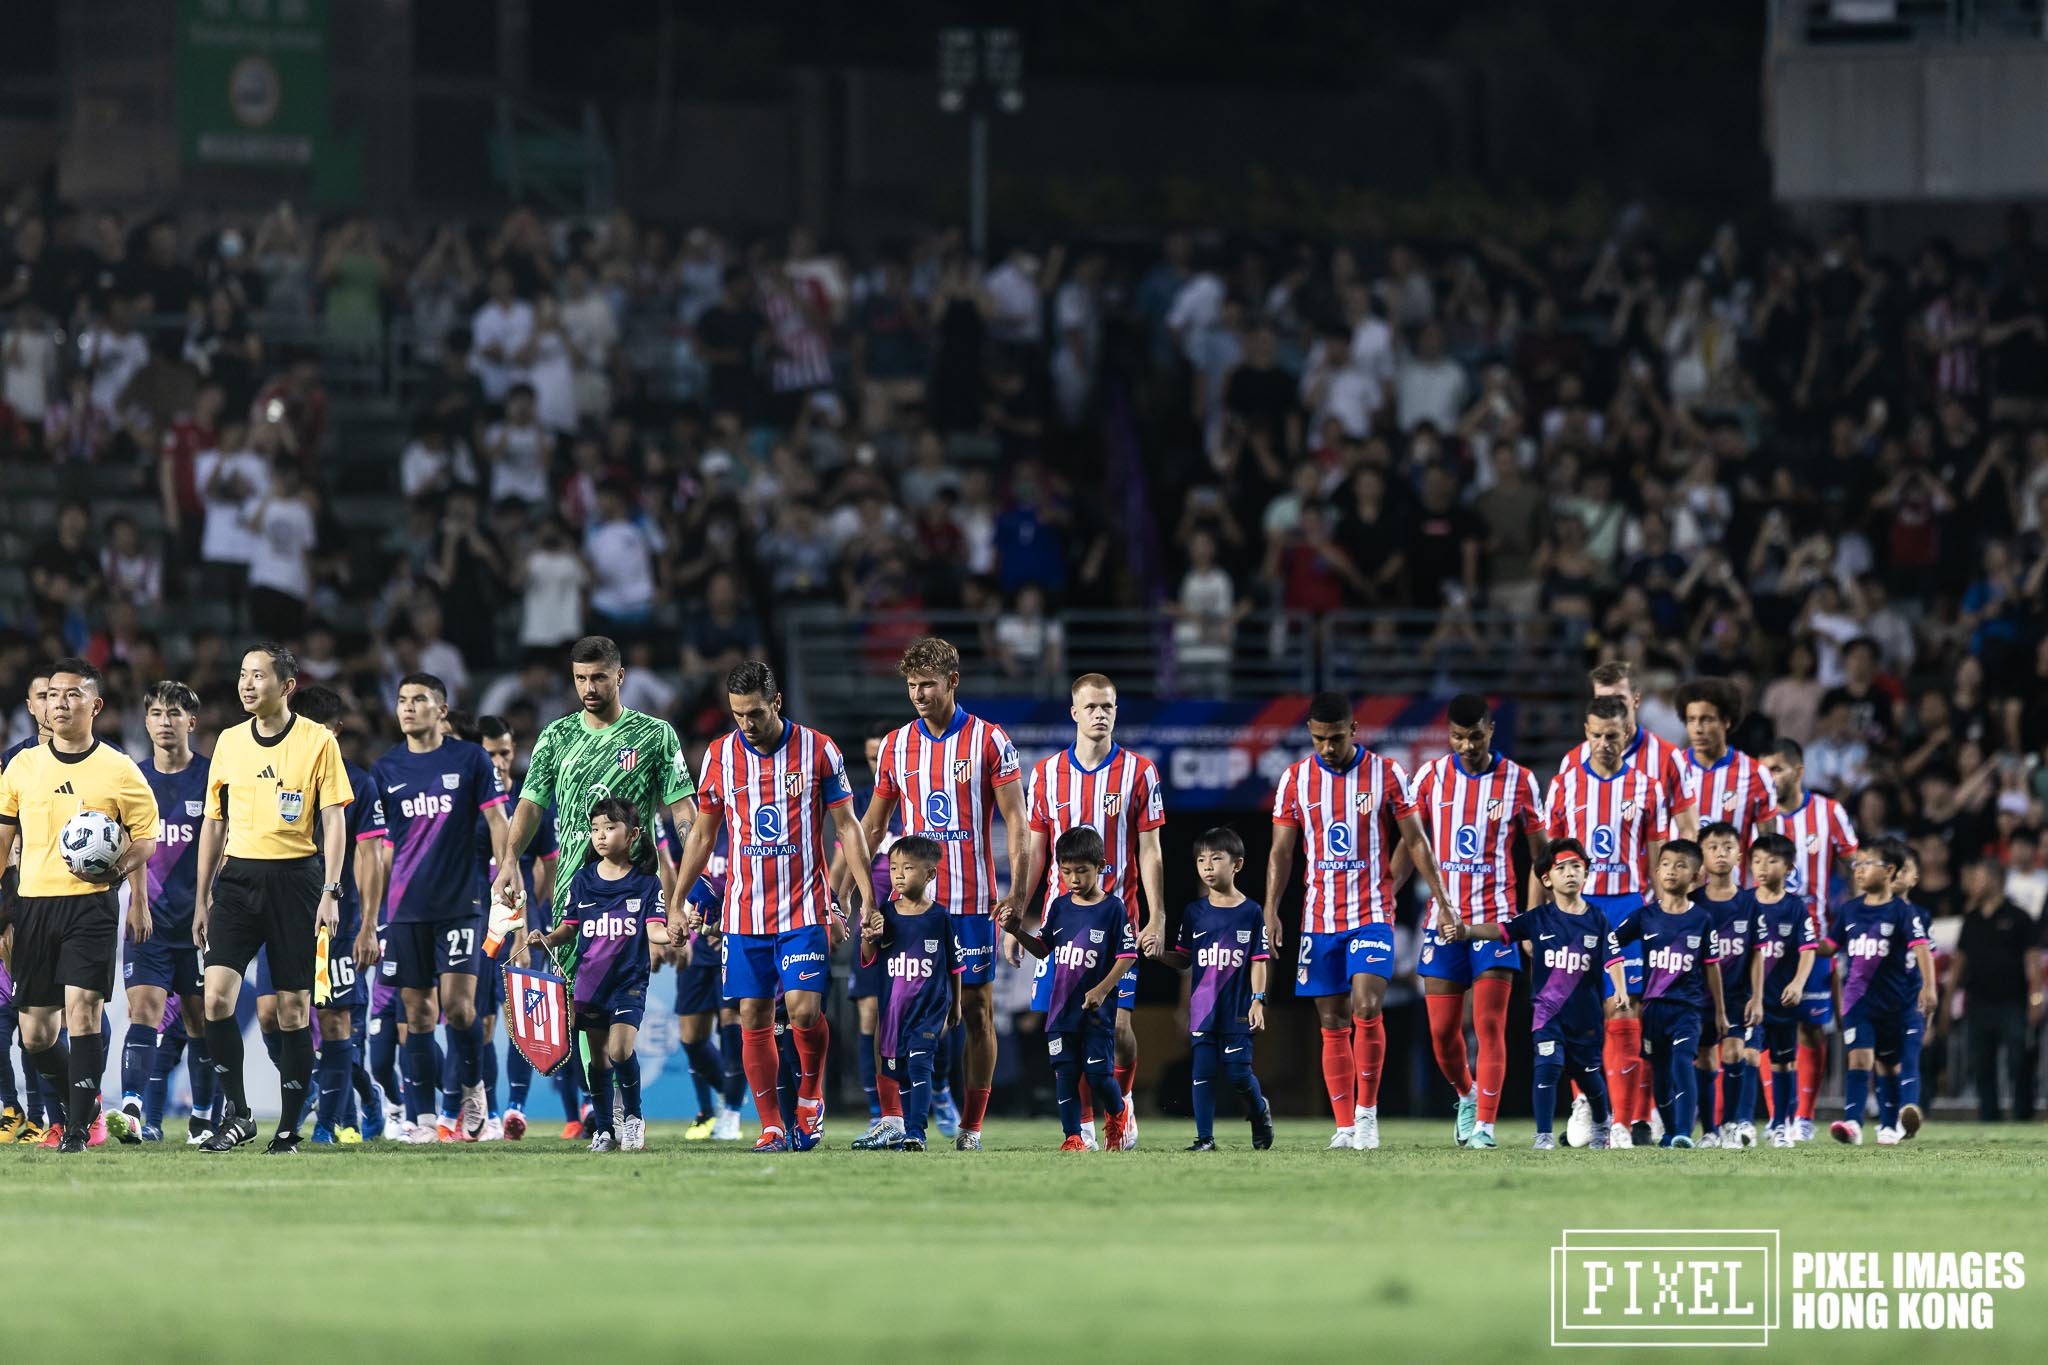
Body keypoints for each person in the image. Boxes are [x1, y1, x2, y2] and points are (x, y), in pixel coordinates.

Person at [670, 661, 872, 1152]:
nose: (747, 724)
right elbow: (702, 834)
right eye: (738, 714)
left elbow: (847, 827)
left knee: (803, 1013)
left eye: (755, 713)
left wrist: (861, 898)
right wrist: (677, 900)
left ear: (776, 703)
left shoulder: (820, 750)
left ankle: (809, 1095)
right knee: (752, 1017)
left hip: (804, 909)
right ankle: (771, 1126)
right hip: (744, 915)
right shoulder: (719, 756)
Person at [1267, 691, 1457, 1152]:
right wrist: (1270, 908)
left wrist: (1442, 899)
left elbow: (1416, 841)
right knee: (1331, 1020)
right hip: (1318, 918)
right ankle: (1345, 1125)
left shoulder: (1388, 774)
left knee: (1366, 1007)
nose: (1326, 748)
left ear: (1354, 730)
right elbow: (1281, 851)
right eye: (1317, 739)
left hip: (1371, 913)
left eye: (1334, 738)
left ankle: (1367, 1116)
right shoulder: (1294, 780)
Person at [860, 637, 1026, 1152]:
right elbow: (871, 825)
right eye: (911, 686)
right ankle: (894, 1119)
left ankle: (971, 1126)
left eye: (928, 684)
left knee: (973, 1011)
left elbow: (1017, 821)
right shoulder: (894, 745)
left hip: (972, 902)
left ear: (953, 682)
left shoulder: (989, 741)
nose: (918, 694)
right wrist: (854, 890)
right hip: (909, 903)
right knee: (894, 1009)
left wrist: (1017, 893)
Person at [192, 643, 353, 1153]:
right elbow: (213, 823)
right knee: (215, 997)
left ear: (286, 687)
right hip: (238, 881)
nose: (245, 684)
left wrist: (330, 889)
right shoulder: (229, 742)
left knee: (292, 1009)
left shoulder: (317, 742)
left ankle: (287, 1128)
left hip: (296, 881)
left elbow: (333, 818)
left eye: (257, 676)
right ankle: (238, 1113)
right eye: (242, 674)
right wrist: (202, 898)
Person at [0, 658, 158, 1152]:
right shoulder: (21, 766)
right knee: (37, 1035)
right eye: (52, 695)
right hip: (33, 906)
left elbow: (148, 838)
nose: (59, 703)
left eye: (72, 694)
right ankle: (86, 1104)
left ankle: (74, 1133)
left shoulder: (118, 768)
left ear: (96, 705)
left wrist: (118, 871)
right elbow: (3, 839)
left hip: (90, 905)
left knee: (83, 1012)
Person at [1015, 672, 1165, 1151]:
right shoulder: (1045, 774)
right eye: (1092, 707)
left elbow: (1151, 851)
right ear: (1074, 713)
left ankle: (1124, 1104)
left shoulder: (1140, 771)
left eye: (1109, 706)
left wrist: (1157, 916)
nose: (1101, 714)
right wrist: (1018, 915)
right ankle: (1080, 1128)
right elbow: (1035, 853)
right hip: (1064, 928)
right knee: (1069, 1026)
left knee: (1119, 1027)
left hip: (1119, 920)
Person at [372, 673, 508, 1142]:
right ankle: (424, 1119)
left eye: (420, 700)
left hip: (461, 901)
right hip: (407, 908)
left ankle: (473, 1088)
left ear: (442, 710)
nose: (408, 708)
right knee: (418, 1015)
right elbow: (385, 847)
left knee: (460, 1008)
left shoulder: (469, 759)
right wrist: (375, 911)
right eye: (402, 700)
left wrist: (505, 871)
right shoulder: (386, 769)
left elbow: (496, 817)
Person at [1407, 693, 1547, 1149]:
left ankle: (1485, 1125)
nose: (1466, 745)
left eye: (1474, 736)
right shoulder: (1429, 777)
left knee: (1489, 1025)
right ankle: (1466, 1095)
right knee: (1443, 1033)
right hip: (1444, 922)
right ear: (1449, 735)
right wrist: (1386, 895)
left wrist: (1531, 918)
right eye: (1458, 737)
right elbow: (1413, 843)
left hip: (1497, 921)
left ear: (1491, 731)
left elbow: (1540, 854)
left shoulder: (1520, 782)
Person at [1547, 694, 1674, 1147]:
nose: (1604, 743)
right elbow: (1552, 857)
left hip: (1627, 908)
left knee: (1624, 1008)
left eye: (1613, 736)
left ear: (1628, 735)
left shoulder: (1648, 788)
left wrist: (1661, 914)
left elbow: (1658, 857)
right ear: (1586, 733)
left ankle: (1621, 1120)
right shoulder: (1564, 785)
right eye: (1597, 735)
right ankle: (1588, 1105)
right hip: (1580, 910)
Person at [523, 798, 670, 1152]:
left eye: (609, 828)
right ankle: (604, 1129)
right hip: (589, 983)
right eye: (595, 829)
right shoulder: (584, 880)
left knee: (621, 1051)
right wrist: (546, 939)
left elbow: (655, 931)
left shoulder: (647, 883)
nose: (600, 836)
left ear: (633, 834)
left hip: (629, 982)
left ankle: (633, 1119)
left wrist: (674, 935)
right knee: (598, 1061)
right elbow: (569, 928)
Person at [1450, 839, 1616, 1150]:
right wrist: (1467, 931)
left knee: (1589, 1078)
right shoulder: (1538, 918)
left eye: (1576, 867)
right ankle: (1543, 1136)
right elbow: (1501, 930)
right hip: (1547, 1013)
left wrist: (1617, 989)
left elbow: (1614, 958)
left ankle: (1602, 1123)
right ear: (1546, 880)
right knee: (1548, 1067)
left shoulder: (1598, 919)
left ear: (1586, 874)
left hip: (1586, 1016)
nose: (1569, 873)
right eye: (1561, 868)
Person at [997, 827, 1135, 1152]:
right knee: (1066, 1075)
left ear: (1101, 866)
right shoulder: (1059, 907)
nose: (1073, 878)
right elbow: (1044, 949)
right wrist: (1017, 931)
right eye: (1066, 871)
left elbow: (1127, 955)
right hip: (1062, 1009)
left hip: (1097, 1013)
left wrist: (1102, 989)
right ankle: (1073, 1136)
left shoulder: (1113, 908)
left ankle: (1117, 1114)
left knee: (1100, 1075)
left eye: (1082, 871)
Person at [116, 681, 212, 1142]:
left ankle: (204, 1116)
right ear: (147, 721)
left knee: (199, 1020)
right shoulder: (133, 779)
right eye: (155, 713)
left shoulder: (213, 779)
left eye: (174, 713)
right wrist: (136, 901)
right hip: (147, 919)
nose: (164, 721)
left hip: (197, 924)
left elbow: (225, 847)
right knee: (144, 1009)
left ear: (191, 722)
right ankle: (132, 1110)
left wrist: (208, 907)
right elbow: (131, 846)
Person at [292, 685, 388, 1146]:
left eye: (322, 733)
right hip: (285, 918)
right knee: (275, 1016)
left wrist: (367, 925)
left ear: (336, 732)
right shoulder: (279, 777)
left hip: (338, 923)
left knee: (334, 1023)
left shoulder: (359, 784)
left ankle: (327, 1126)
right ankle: (364, 1091)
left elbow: (370, 857)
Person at [1757, 736, 1859, 1141]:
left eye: (1777, 769)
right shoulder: (1757, 817)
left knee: (1811, 1029)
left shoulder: (1829, 812)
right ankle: (1775, 1117)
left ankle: (1803, 1116)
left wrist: (1850, 921)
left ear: (1799, 772)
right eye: (1764, 770)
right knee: (1764, 1026)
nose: (1769, 778)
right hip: (1764, 940)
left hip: (1814, 940)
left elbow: (1856, 865)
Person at [1158, 826, 1273, 1152]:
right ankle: (1205, 1138)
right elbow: (1183, 961)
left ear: (1236, 864)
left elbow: (1259, 961)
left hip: (1237, 1009)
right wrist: (1159, 955)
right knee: (1203, 1072)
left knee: (1238, 1075)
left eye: (1215, 859)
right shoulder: (1194, 913)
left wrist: (1258, 1001)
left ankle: (1259, 1110)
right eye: (1200, 860)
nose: (1207, 866)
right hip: (1203, 1009)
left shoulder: (1251, 912)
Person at [1608, 840, 1726, 1149]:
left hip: (1687, 1008)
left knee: (1683, 1063)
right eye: (1667, 865)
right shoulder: (1644, 917)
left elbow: (1712, 968)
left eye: (1681, 865)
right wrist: (1617, 979)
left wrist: (1720, 1012)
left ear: (1696, 876)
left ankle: (1685, 1131)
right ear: (1656, 872)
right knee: (1659, 1072)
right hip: (1652, 1009)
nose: (1672, 871)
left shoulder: (1702, 920)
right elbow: (1610, 942)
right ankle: (1673, 1132)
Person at [478, 714, 558, 1140]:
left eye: (505, 753)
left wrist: (534, 917)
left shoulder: (530, 804)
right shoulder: (475, 803)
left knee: (519, 1019)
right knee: (484, 1022)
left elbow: (548, 862)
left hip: (524, 926)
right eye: (490, 753)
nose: (498, 761)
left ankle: (514, 1109)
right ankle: (488, 1109)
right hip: (482, 924)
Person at [1827, 839, 1937, 1146]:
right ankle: (1852, 1123)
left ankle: (1899, 1117)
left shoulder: (1908, 914)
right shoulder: (1849, 911)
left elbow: (1923, 950)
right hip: (1860, 1001)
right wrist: (1804, 939)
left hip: (1903, 1001)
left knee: (1895, 1061)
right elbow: (1829, 948)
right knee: (1860, 1059)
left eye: (1866, 864)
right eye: (1856, 865)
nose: (1858, 870)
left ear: (1892, 872)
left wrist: (1929, 989)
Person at [855, 835, 960, 1152]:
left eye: (908, 868)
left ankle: (916, 1132)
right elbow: (868, 957)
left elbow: (954, 966)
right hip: (893, 1012)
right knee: (892, 1069)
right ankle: (892, 1125)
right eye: (894, 868)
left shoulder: (939, 917)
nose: (898, 875)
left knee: (919, 1065)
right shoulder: (884, 914)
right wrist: (868, 937)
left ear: (930, 874)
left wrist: (955, 1005)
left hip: (928, 1011)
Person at [1942, 856, 2045, 1123]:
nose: (1973, 883)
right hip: (1978, 1002)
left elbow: (2032, 962)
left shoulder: (2019, 917)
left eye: (1978, 877)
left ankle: (2023, 1115)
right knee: (1982, 1064)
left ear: (1994, 879)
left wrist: (2035, 999)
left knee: (2019, 1061)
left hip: (2013, 1002)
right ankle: (1989, 1117)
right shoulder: (1972, 919)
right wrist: (1947, 1002)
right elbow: (1958, 964)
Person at [1747, 832, 1818, 1147]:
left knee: (1783, 1062)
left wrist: (1798, 983)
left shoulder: (1796, 908)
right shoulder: (1743, 903)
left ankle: (1781, 1123)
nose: (1763, 867)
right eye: (1757, 860)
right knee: (1747, 1056)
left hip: (1783, 999)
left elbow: (1808, 949)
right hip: (1750, 1001)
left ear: (1789, 868)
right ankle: (1742, 1122)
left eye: (1772, 861)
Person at [1690, 821, 1757, 1147]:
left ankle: (1730, 1123)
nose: (1720, 853)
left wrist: (1756, 997)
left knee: (1733, 1052)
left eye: (1727, 847)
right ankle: (1709, 1131)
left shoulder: (1750, 903)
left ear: (1739, 856)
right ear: (1701, 856)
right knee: (1705, 1059)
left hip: (1736, 995)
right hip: (1699, 995)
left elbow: (1758, 953)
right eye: (1713, 847)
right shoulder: (1692, 902)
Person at [1673, 678, 1777, 868]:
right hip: (1681, 894)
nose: (1698, 729)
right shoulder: (1668, 770)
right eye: (1691, 720)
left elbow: (1768, 849)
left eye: (1707, 719)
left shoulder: (1756, 774)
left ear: (1726, 722)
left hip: (1733, 894)